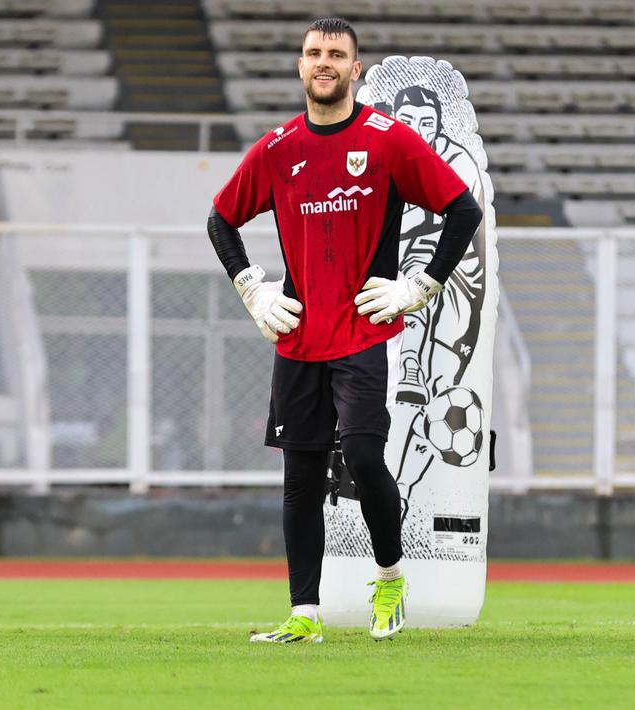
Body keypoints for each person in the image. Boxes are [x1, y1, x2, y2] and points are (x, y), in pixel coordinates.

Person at [206, 17, 483, 644]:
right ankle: (305, 613)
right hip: (299, 338)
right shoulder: (277, 149)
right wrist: (252, 288)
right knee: (301, 478)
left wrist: (420, 285)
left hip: (360, 333)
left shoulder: (389, 141)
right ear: (300, 67)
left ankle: (389, 579)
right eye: (313, 53)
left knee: (361, 455)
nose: (323, 62)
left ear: (356, 69)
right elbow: (221, 221)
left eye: (336, 53)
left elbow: (462, 208)